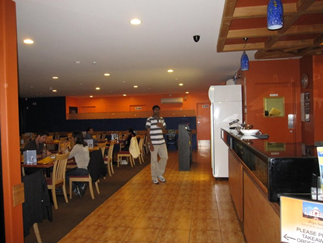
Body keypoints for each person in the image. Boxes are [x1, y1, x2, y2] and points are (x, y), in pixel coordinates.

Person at [146, 105, 168, 184]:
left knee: (165, 157)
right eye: (155, 110)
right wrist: (150, 143)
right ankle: (154, 177)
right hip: (153, 143)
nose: (157, 111)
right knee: (154, 160)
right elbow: (148, 132)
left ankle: (159, 174)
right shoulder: (149, 120)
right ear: (153, 111)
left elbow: (165, 132)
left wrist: (162, 126)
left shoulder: (162, 119)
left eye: (158, 110)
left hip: (162, 142)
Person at [66, 131, 90, 197]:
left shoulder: (77, 146)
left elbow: (68, 156)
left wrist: (65, 150)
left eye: (72, 137)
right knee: (70, 173)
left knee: (65, 175)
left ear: (76, 138)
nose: (71, 139)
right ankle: (80, 185)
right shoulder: (85, 145)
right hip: (86, 169)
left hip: (81, 170)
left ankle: (76, 189)